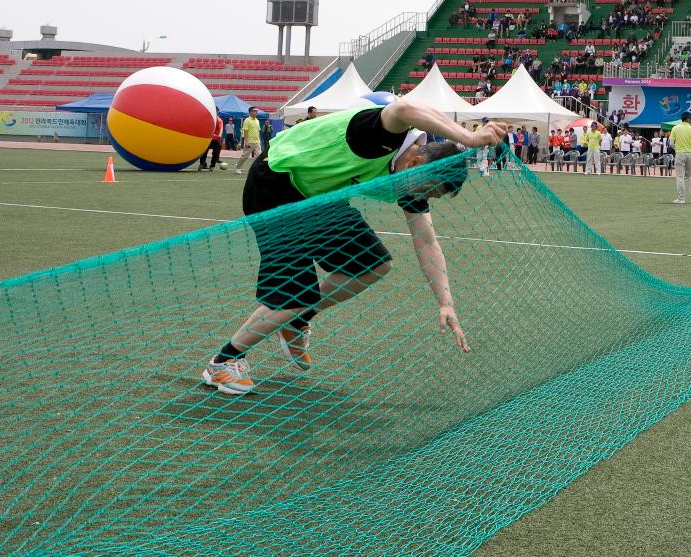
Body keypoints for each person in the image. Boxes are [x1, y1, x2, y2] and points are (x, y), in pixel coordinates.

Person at [201, 99, 508, 395]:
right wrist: (469, 136)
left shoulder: (410, 176)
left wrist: (446, 303)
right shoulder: (379, 137)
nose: (423, 197)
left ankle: (298, 320)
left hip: (318, 198)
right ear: (415, 163)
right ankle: (223, 362)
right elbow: (404, 107)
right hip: (275, 185)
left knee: (370, 265)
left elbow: (427, 241)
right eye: (427, 190)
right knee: (293, 292)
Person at [670, 111, 691, 204]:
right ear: (687, 118)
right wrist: (690, 148)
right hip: (690, 153)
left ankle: (681, 198)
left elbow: (671, 143)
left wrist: (677, 149)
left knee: (680, 176)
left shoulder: (675, 128)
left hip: (680, 153)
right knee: (690, 175)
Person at [235, 107, 262, 174]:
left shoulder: (257, 120)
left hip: (257, 141)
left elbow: (258, 131)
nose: (256, 112)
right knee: (245, 156)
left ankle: (256, 169)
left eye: (256, 111)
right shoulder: (247, 120)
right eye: (254, 111)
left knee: (259, 156)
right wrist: (246, 141)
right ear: (250, 112)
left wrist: (259, 139)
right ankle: (238, 167)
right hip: (249, 141)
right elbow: (245, 131)